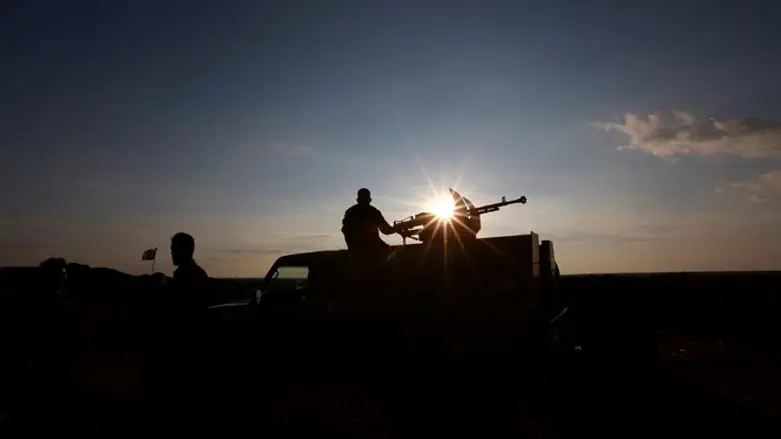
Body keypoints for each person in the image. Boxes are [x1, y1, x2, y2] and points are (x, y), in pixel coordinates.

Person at [341, 188, 398, 252]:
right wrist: (397, 228)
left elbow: (345, 230)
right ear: (369, 199)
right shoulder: (373, 212)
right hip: (370, 248)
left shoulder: (350, 211)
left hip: (355, 249)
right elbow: (386, 230)